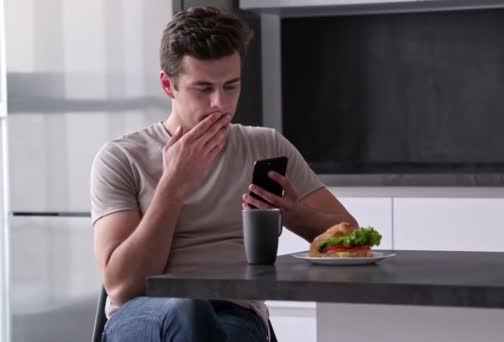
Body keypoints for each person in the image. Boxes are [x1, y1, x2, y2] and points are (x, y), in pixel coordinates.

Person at [90, 6, 357, 342]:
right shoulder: (122, 158)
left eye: (231, 86)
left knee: (207, 321)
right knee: (188, 311)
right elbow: (123, 285)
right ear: (168, 85)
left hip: (234, 312)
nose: (221, 103)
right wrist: (173, 185)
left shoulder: (265, 146)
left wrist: (294, 212)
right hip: (143, 313)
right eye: (203, 88)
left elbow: (349, 235)